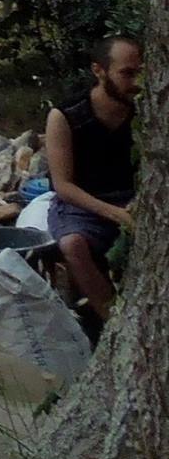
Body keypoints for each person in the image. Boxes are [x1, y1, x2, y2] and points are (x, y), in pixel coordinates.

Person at [45, 34, 142, 322]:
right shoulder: (66, 116)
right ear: (99, 70)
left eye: (141, 72)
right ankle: (113, 322)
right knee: (73, 244)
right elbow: (63, 185)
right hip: (83, 203)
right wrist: (116, 214)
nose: (136, 82)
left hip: (133, 197)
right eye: (127, 73)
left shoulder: (147, 112)